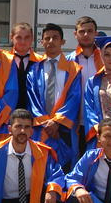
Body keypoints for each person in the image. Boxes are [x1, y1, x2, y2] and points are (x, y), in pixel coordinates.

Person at [31, 23, 82, 168]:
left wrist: (57, 122)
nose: (51, 41)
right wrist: (46, 123)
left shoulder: (73, 69)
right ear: (42, 42)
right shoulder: (34, 69)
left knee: (65, 167)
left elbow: (74, 97)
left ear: (62, 41)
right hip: (42, 128)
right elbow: (32, 98)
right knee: (41, 167)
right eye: (47, 38)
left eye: (55, 38)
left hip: (64, 128)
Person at [69, 16, 102, 154]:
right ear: (75, 34)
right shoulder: (69, 61)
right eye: (82, 31)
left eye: (90, 31)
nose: (86, 34)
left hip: (99, 122)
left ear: (96, 34)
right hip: (74, 122)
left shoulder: (105, 59)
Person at [7, 23, 44, 112]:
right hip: (7, 112)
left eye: (27, 37)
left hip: (33, 112)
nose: (23, 42)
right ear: (11, 37)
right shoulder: (4, 60)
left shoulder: (40, 61)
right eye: (19, 37)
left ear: (32, 38)